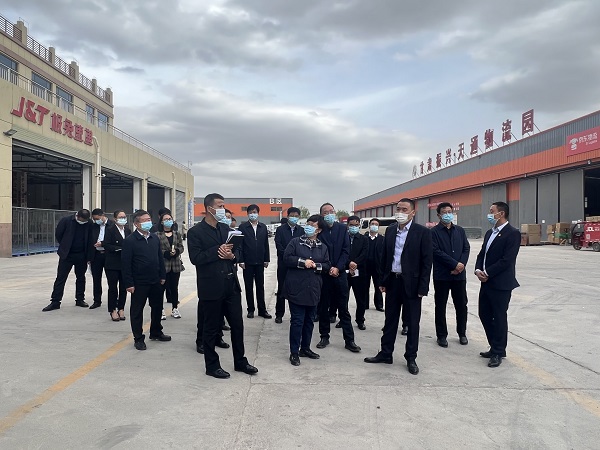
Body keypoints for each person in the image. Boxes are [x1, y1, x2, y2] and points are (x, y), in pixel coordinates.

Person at [187, 193, 257, 379]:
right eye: (219, 206)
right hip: (211, 287)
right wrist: (217, 251)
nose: (222, 209)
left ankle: (240, 361)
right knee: (210, 328)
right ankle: (212, 365)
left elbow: (237, 252)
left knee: (237, 326)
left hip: (231, 285)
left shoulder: (226, 229)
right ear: (209, 208)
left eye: (223, 206)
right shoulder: (195, 232)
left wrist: (232, 256)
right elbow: (196, 258)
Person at [364, 198, 432, 375]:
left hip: (412, 284)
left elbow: (427, 262)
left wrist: (423, 288)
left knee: (412, 323)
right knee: (390, 320)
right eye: (398, 209)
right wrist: (382, 281)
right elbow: (385, 257)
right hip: (393, 282)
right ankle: (386, 353)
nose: (400, 213)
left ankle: (411, 357)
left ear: (413, 213)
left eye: (404, 210)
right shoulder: (391, 230)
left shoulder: (422, 232)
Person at [475, 201, 521, 368]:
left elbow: (507, 260)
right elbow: (482, 254)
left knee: (499, 317)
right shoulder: (490, 233)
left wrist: (487, 273)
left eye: (491, 211)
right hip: (486, 282)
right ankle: (494, 346)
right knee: (484, 314)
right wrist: (478, 270)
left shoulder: (512, 233)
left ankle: (498, 351)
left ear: (501, 214)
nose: (489, 214)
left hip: (501, 283)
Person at [283, 215, 330, 366]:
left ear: (319, 230)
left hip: (313, 288)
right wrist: (303, 262)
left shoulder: (323, 247)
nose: (309, 226)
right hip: (296, 287)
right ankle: (294, 352)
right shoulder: (295, 242)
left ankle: (305, 348)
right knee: (297, 321)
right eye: (308, 223)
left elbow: (327, 265)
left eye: (313, 225)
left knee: (309, 321)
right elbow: (286, 258)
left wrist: (316, 265)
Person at [122, 210, 170, 350]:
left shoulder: (154, 238)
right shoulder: (130, 241)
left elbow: (159, 258)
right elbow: (125, 264)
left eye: (149, 219)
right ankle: (138, 338)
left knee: (157, 307)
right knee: (137, 310)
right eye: (144, 220)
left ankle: (156, 331)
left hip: (155, 280)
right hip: (139, 282)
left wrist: (162, 276)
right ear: (136, 224)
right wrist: (129, 283)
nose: (148, 222)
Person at [315, 203, 361, 353]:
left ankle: (349, 340)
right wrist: (329, 268)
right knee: (323, 307)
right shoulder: (319, 231)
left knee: (343, 309)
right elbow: (318, 253)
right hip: (324, 275)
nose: (329, 214)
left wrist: (338, 267)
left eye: (331, 211)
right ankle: (324, 336)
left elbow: (346, 251)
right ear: (321, 215)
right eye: (326, 212)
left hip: (340, 275)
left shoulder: (342, 229)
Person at [431, 202, 470, 347]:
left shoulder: (459, 230)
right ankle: (441, 335)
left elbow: (466, 248)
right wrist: (454, 264)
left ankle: (462, 333)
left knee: (461, 305)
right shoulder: (433, 232)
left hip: (459, 275)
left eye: (449, 211)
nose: (447, 214)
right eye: (444, 212)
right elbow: (435, 251)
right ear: (439, 215)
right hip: (442, 275)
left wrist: (461, 265)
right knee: (440, 306)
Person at [43, 209, 95, 311]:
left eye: (85, 221)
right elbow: (59, 234)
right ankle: (55, 301)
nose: (83, 222)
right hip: (67, 255)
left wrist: (89, 256)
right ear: (77, 216)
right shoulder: (66, 221)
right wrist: (65, 245)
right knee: (61, 278)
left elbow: (90, 238)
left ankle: (80, 299)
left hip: (82, 255)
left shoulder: (89, 223)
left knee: (80, 277)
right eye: (82, 220)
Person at [238, 204, 271, 319]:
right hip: (247, 262)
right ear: (247, 214)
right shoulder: (243, 227)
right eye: (251, 212)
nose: (253, 214)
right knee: (249, 287)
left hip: (260, 262)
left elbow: (266, 244)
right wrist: (241, 260)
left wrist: (266, 259)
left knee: (260, 287)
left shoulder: (263, 227)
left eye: (255, 212)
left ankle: (262, 310)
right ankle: (250, 309)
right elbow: (240, 245)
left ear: (258, 213)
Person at [274, 207, 305, 323]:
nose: (294, 218)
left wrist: (295, 259)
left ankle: (295, 314)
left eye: (296, 216)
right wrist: (288, 257)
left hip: (297, 265)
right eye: (292, 215)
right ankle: (279, 314)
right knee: (281, 289)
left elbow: (303, 247)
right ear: (287, 216)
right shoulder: (280, 230)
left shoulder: (301, 230)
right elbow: (279, 245)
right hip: (283, 264)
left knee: (296, 290)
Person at [103, 209, 131, 321]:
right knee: (113, 288)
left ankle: (121, 308)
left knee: (124, 288)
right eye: (120, 217)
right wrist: (119, 249)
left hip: (124, 263)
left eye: (124, 217)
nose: (123, 219)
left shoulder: (128, 230)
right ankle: (112, 310)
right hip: (112, 263)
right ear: (115, 219)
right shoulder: (110, 230)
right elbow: (107, 244)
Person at [156, 212, 185, 319]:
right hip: (164, 265)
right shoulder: (157, 235)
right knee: (161, 288)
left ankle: (175, 308)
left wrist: (177, 251)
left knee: (174, 288)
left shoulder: (177, 234)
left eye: (170, 219)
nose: (168, 221)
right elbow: (156, 249)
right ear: (161, 222)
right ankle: (160, 310)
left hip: (175, 265)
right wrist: (165, 253)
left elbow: (181, 247)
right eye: (166, 219)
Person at [344, 216, 368, 330]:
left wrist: (355, 263)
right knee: (344, 297)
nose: (354, 227)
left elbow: (365, 253)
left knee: (360, 298)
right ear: (347, 225)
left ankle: (360, 320)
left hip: (360, 272)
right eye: (351, 225)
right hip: (345, 271)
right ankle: (344, 319)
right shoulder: (343, 238)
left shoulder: (364, 239)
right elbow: (342, 252)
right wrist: (349, 262)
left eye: (356, 225)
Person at [89, 208, 112, 310]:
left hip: (108, 255)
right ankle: (97, 301)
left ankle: (113, 300)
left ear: (103, 215)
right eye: (94, 219)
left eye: (97, 218)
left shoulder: (112, 225)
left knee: (111, 279)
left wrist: (103, 243)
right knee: (96, 279)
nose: (96, 221)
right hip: (96, 255)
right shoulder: (93, 226)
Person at [365, 218, 385, 312]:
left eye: (376, 224)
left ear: (378, 226)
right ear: (369, 225)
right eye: (372, 224)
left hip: (377, 267)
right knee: (365, 286)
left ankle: (379, 305)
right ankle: (365, 304)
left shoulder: (382, 239)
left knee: (378, 286)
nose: (374, 226)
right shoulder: (364, 238)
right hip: (366, 266)